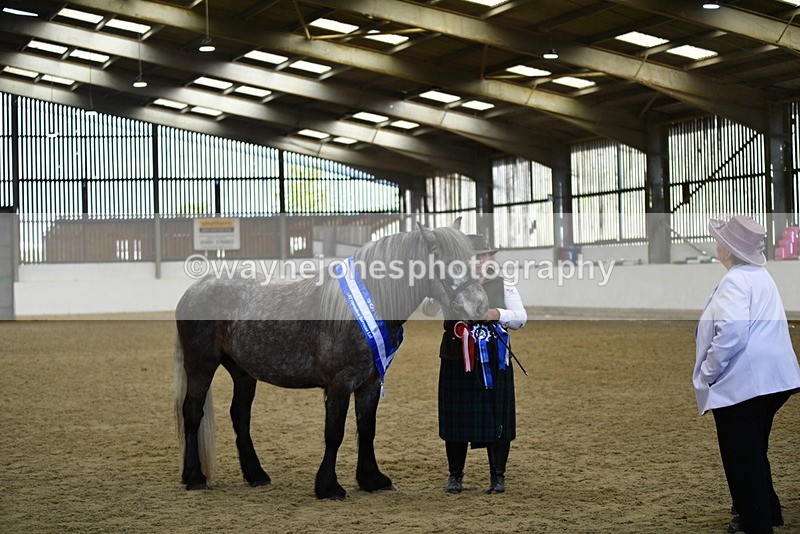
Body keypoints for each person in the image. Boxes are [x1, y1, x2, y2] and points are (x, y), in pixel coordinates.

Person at [693, 215, 800, 534]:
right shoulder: (759, 275)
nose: (716, 243)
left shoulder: (735, 280)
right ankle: (768, 510)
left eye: (720, 240)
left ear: (727, 249)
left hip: (747, 383)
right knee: (754, 449)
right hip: (773, 379)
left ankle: (754, 522)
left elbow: (732, 334)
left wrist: (709, 371)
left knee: (741, 456)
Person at [422, 233, 527, 494]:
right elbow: (428, 310)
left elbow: (521, 318)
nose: (482, 261)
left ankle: (497, 477)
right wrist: (435, 298)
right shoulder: (448, 283)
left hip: (493, 359)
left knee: (497, 417)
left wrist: (497, 314)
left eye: (485, 255)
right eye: (476, 256)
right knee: (455, 418)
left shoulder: (504, 284)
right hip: (456, 357)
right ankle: (455, 476)